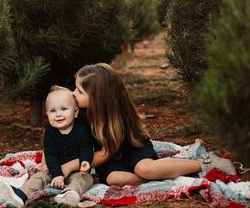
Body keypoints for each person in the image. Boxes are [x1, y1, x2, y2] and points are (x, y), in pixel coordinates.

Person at [62, 62, 236, 186]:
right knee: (114, 179)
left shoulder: (115, 118)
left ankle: (207, 163)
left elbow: (105, 153)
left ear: (98, 99)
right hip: (109, 163)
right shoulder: (79, 113)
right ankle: (164, 175)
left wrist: (70, 165)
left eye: (79, 91)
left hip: (132, 149)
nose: (73, 93)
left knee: (145, 169)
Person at [0, 86, 94, 208]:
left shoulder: (82, 130)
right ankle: (21, 195)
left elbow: (86, 148)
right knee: (38, 177)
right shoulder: (50, 133)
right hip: (53, 170)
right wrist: (57, 174)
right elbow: (50, 154)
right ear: (47, 114)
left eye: (64, 109)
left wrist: (85, 161)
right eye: (53, 111)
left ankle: (70, 194)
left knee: (86, 179)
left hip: (76, 171)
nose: (58, 114)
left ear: (76, 112)